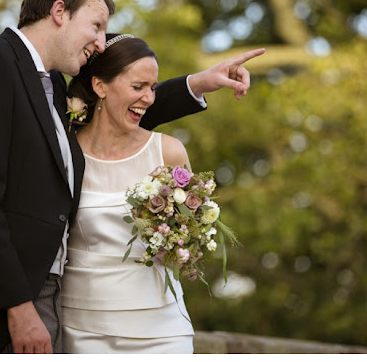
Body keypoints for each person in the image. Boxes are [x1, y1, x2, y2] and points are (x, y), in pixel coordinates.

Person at [0, 0, 264, 354]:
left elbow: (113, 122)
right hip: (10, 301)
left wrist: (199, 84)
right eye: (96, 26)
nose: (99, 42)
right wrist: (18, 306)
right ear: (59, 11)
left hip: (56, 298)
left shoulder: (53, 85)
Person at [60, 33, 252, 353]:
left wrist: (178, 246)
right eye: (138, 87)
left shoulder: (168, 153)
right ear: (100, 86)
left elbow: (193, 234)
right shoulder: (63, 152)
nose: (149, 98)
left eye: (152, 88)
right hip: (80, 327)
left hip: (161, 331)